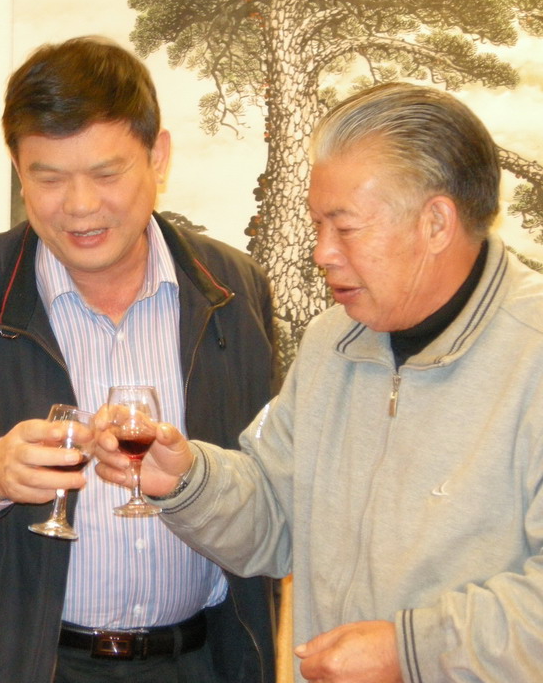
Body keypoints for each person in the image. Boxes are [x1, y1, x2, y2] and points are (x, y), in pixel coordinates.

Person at [95, 81, 543, 682]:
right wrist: (186, 481)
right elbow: (276, 517)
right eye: (316, 225)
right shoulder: (333, 342)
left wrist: (410, 652)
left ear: (436, 222)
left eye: (345, 227)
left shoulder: (532, 352)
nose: (321, 252)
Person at [0, 36, 278, 683]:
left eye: (106, 173)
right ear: (17, 169)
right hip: (28, 667)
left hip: (201, 662)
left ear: (159, 156)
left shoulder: (232, 291)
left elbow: (272, 486)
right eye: (50, 178)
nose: (81, 206)